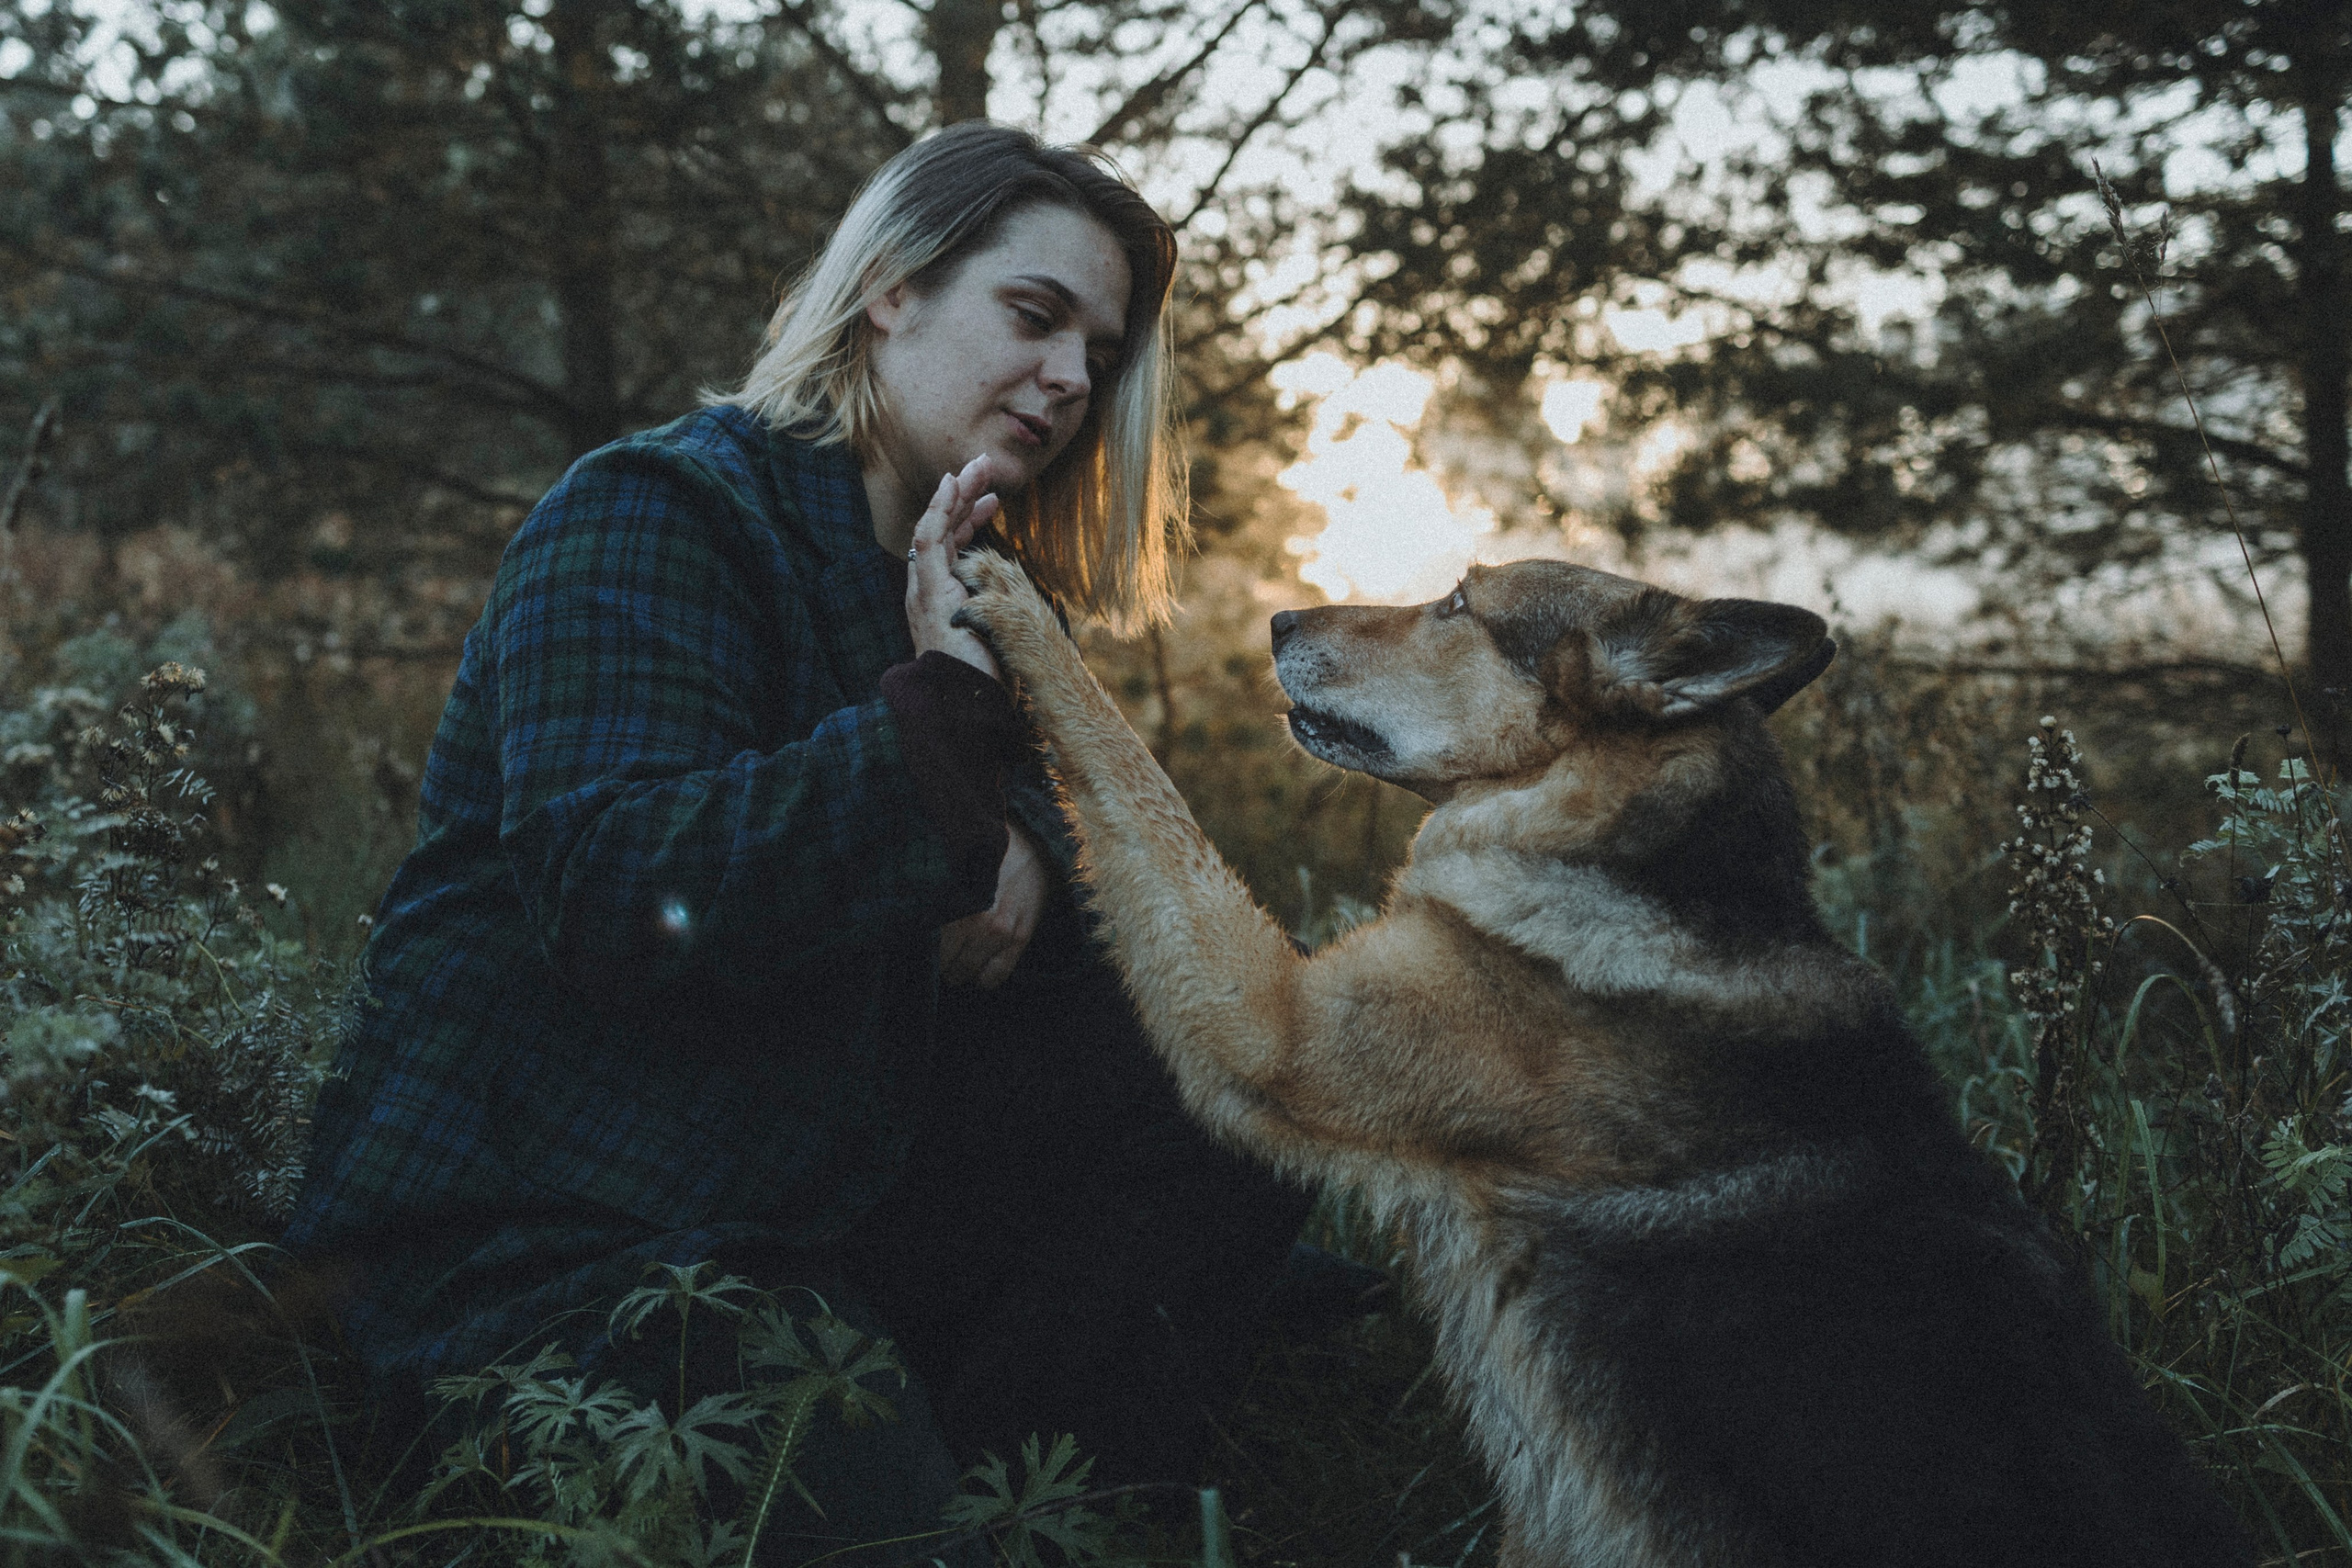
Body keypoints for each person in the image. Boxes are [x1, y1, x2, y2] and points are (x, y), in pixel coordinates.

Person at [284, 123, 1322, 1561]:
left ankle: (1023, 1504)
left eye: (1099, 346)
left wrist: (1016, 823)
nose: (1076, 379)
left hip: (803, 1184)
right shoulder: (658, 514)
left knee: (1226, 1101)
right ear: (892, 286)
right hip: (559, 1229)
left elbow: (1084, 901)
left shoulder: (979, 583)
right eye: (1034, 316)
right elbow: (618, 892)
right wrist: (937, 735)